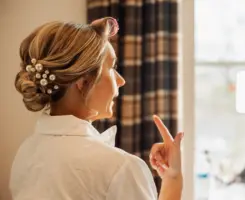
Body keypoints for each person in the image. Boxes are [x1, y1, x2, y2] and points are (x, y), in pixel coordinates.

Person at [10, 17, 184, 200]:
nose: (121, 80)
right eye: (112, 67)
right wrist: (174, 180)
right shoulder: (120, 168)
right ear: (83, 81)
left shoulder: (26, 152)